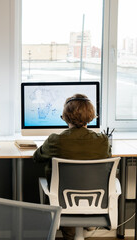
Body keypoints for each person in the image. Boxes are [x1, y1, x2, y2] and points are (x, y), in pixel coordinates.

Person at [33, 93, 111, 240]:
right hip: (95, 202)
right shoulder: (103, 140)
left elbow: (37, 158)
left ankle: (69, 233)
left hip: (63, 203)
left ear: (65, 116)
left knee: (60, 192)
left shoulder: (56, 140)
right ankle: (87, 225)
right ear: (91, 115)